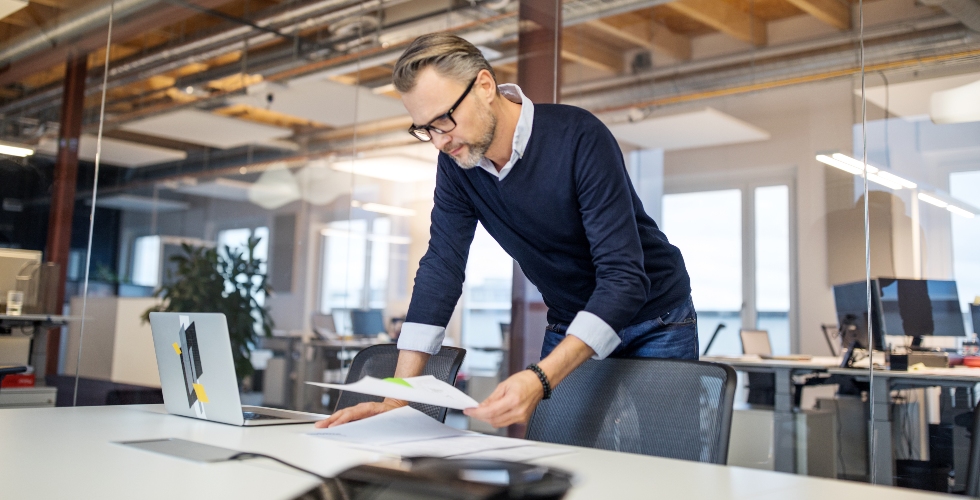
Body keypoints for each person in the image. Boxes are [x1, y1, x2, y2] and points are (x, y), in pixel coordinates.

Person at [315, 33, 694, 430]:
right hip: (571, 318)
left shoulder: (578, 136)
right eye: (425, 128)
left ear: (483, 85)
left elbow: (623, 278)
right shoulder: (456, 166)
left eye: (444, 119)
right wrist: (398, 396)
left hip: (656, 316)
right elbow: (441, 267)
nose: (439, 141)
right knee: (558, 462)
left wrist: (541, 378)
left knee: (666, 458)